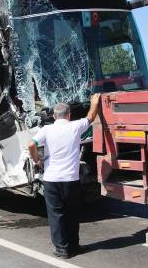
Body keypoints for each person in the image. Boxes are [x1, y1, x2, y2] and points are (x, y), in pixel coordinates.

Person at [28, 93, 101, 258]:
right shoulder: (74, 126)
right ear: (69, 115)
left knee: (56, 214)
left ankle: (62, 249)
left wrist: (37, 159)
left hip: (51, 180)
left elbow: (31, 144)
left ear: (54, 116)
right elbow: (90, 116)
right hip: (71, 180)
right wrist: (94, 102)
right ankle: (74, 246)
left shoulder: (46, 129)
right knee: (72, 213)